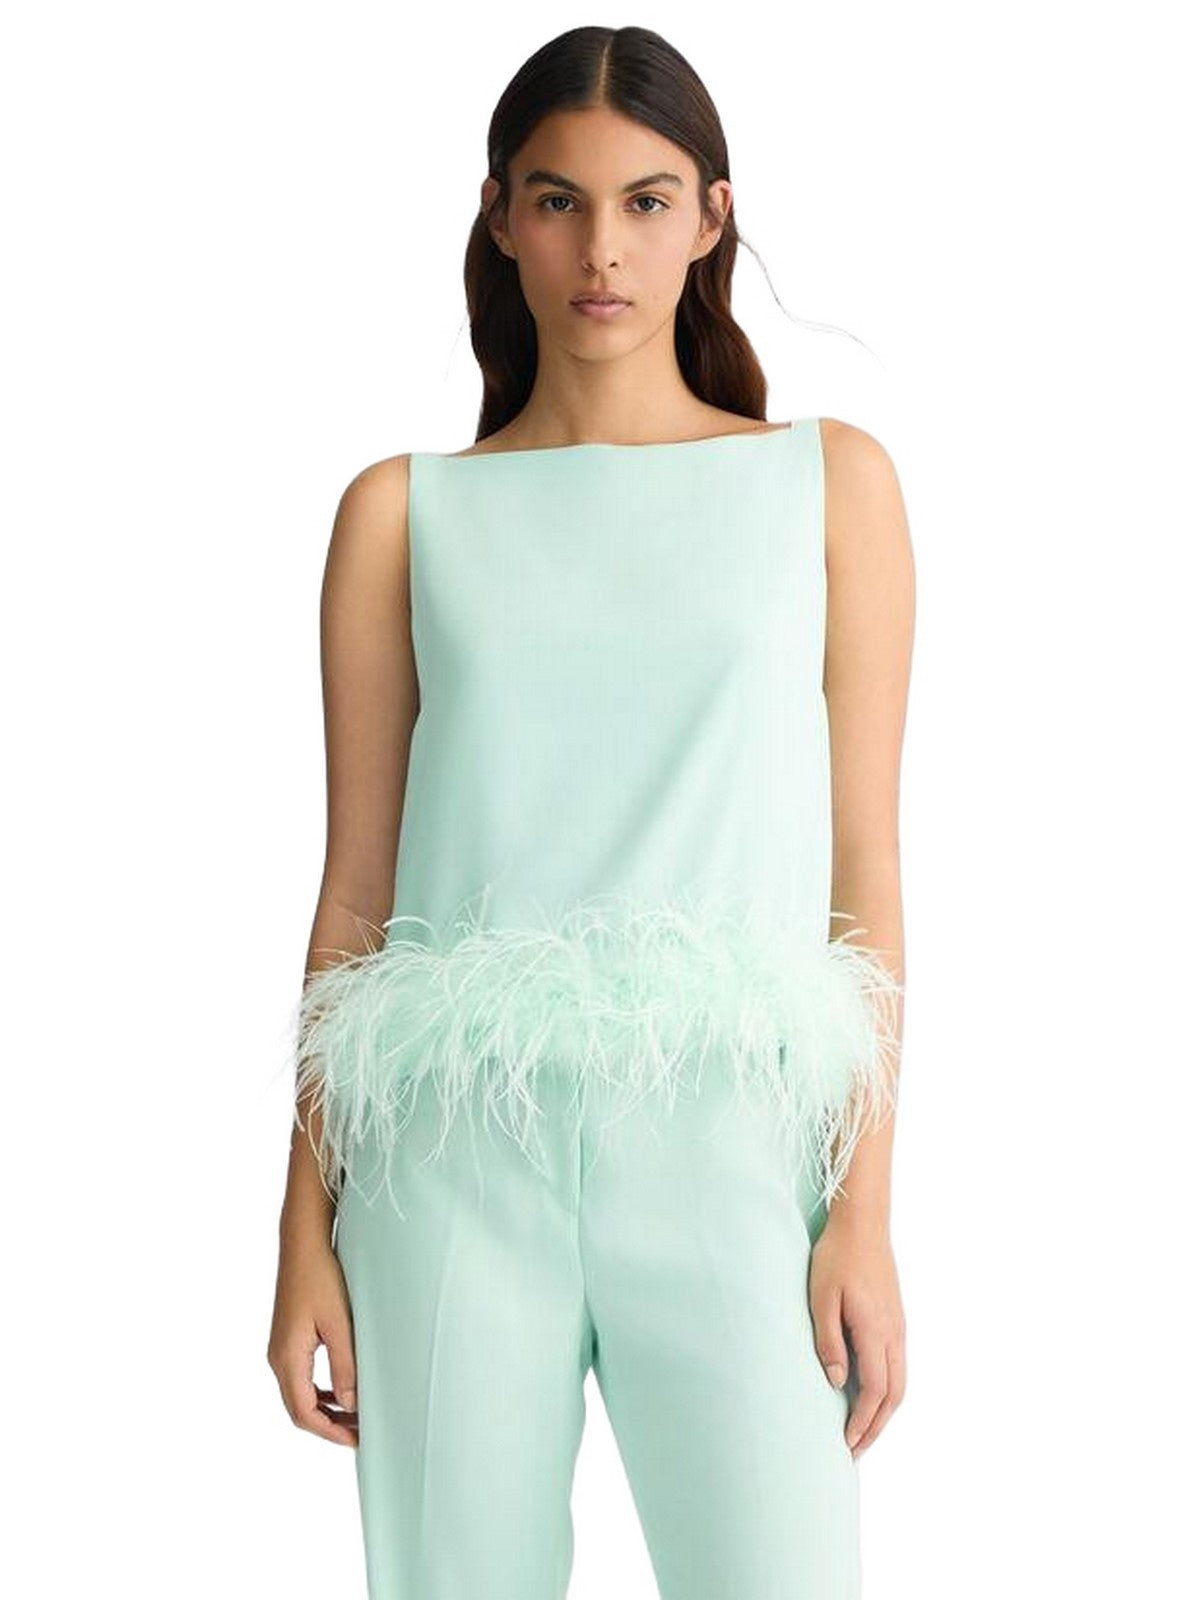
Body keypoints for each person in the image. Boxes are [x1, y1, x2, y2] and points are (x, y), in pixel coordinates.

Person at [267, 22, 914, 1600]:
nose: (602, 250)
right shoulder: (401, 515)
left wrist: (863, 1212)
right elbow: (354, 896)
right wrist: (302, 1231)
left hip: (734, 1142)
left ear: (712, 219)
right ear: (500, 217)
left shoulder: (827, 485)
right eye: (558, 201)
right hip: (446, 1156)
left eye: (646, 201)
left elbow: (864, 868)